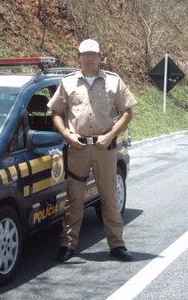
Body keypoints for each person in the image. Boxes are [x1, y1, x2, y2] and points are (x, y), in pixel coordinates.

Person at [47, 39, 137, 262]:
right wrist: (67, 136)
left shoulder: (113, 82)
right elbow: (56, 113)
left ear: (99, 57)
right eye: (85, 54)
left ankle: (117, 245)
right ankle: (68, 245)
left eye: (93, 54)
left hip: (104, 148)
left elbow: (127, 112)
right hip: (77, 148)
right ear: (79, 57)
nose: (89, 58)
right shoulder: (67, 83)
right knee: (74, 198)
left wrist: (109, 136)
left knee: (109, 197)